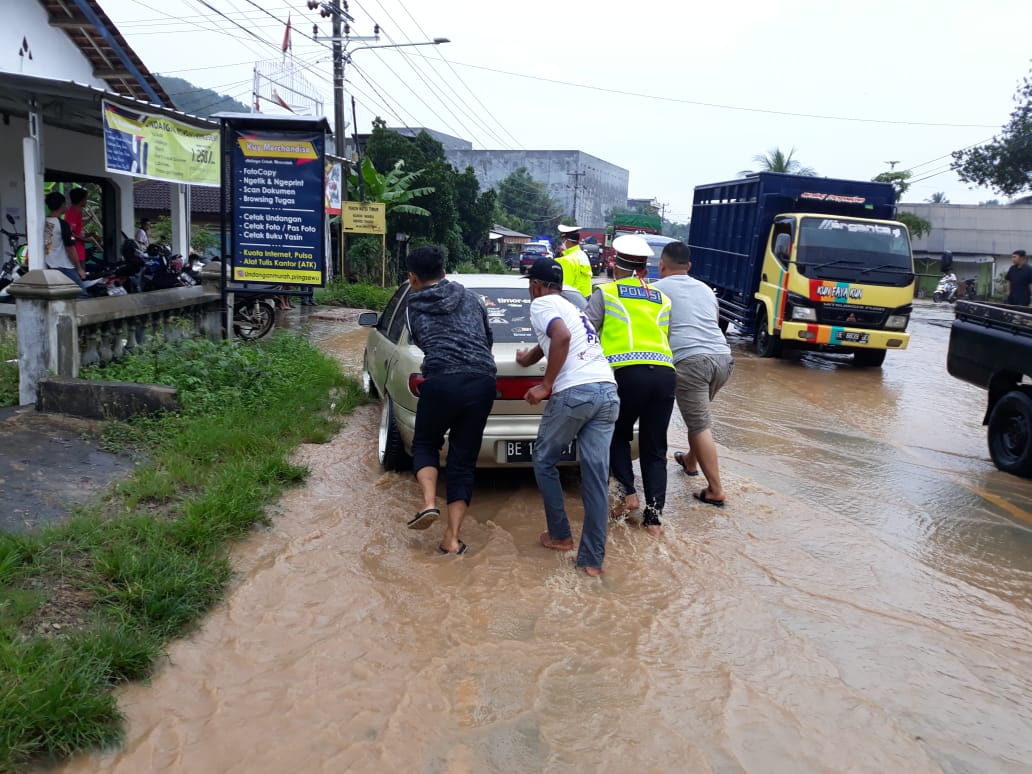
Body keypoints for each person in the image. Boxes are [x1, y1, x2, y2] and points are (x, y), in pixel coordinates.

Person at [516, 257, 620, 576]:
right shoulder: (571, 306)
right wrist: (529, 358)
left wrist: (546, 385)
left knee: (545, 460)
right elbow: (559, 338)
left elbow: (559, 338)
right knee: (595, 478)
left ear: (535, 285)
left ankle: (560, 536)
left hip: (575, 393)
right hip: (607, 390)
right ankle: (591, 561)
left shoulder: (541, 304)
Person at [403, 245, 497, 555]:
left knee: (426, 444)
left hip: (442, 380)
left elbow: (422, 342)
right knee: (463, 461)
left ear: (413, 278)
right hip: (482, 381)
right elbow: (487, 338)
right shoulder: (472, 298)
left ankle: (429, 502)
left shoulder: (413, 305)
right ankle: (452, 538)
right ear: (445, 272)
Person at [584, 234, 675, 535]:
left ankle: (628, 494)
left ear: (614, 265)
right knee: (654, 446)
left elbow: (585, 331)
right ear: (644, 270)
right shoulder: (662, 299)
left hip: (626, 374)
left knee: (616, 433)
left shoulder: (606, 293)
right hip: (664, 374)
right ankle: (654, 520)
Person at [652, 241, 734, 507]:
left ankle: (715, 489)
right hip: (723, 360)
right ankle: (690, 461)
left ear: (661, 265)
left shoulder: (655, 290)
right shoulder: (706, 290)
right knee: (698, 415)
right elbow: (716, 319)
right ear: (689, 267)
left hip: (691, 362)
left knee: (699, 425)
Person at [43, 191, 88, 298]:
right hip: (63, 265)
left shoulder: (43, 222)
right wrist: (79, 269)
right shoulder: (62, 225)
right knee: (82, 294)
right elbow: (70, 249)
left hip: (48, 264)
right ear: (62, 205)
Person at [554, 223, 593, 299]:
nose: (562, 243)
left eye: (563, 240)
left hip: (572, 300)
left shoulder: (565, 260)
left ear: (567, 241)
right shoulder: (583, 255)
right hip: (584, 299)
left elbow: (565, 287)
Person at [65, 187, 89, 270]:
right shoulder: (72, 213)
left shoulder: (78, 212)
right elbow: (69, 232)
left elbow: (77, 231)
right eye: (85, 198)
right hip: (75, 253)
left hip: (80, 251)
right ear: (81, 200)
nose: (86, 201)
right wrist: (84, 239)